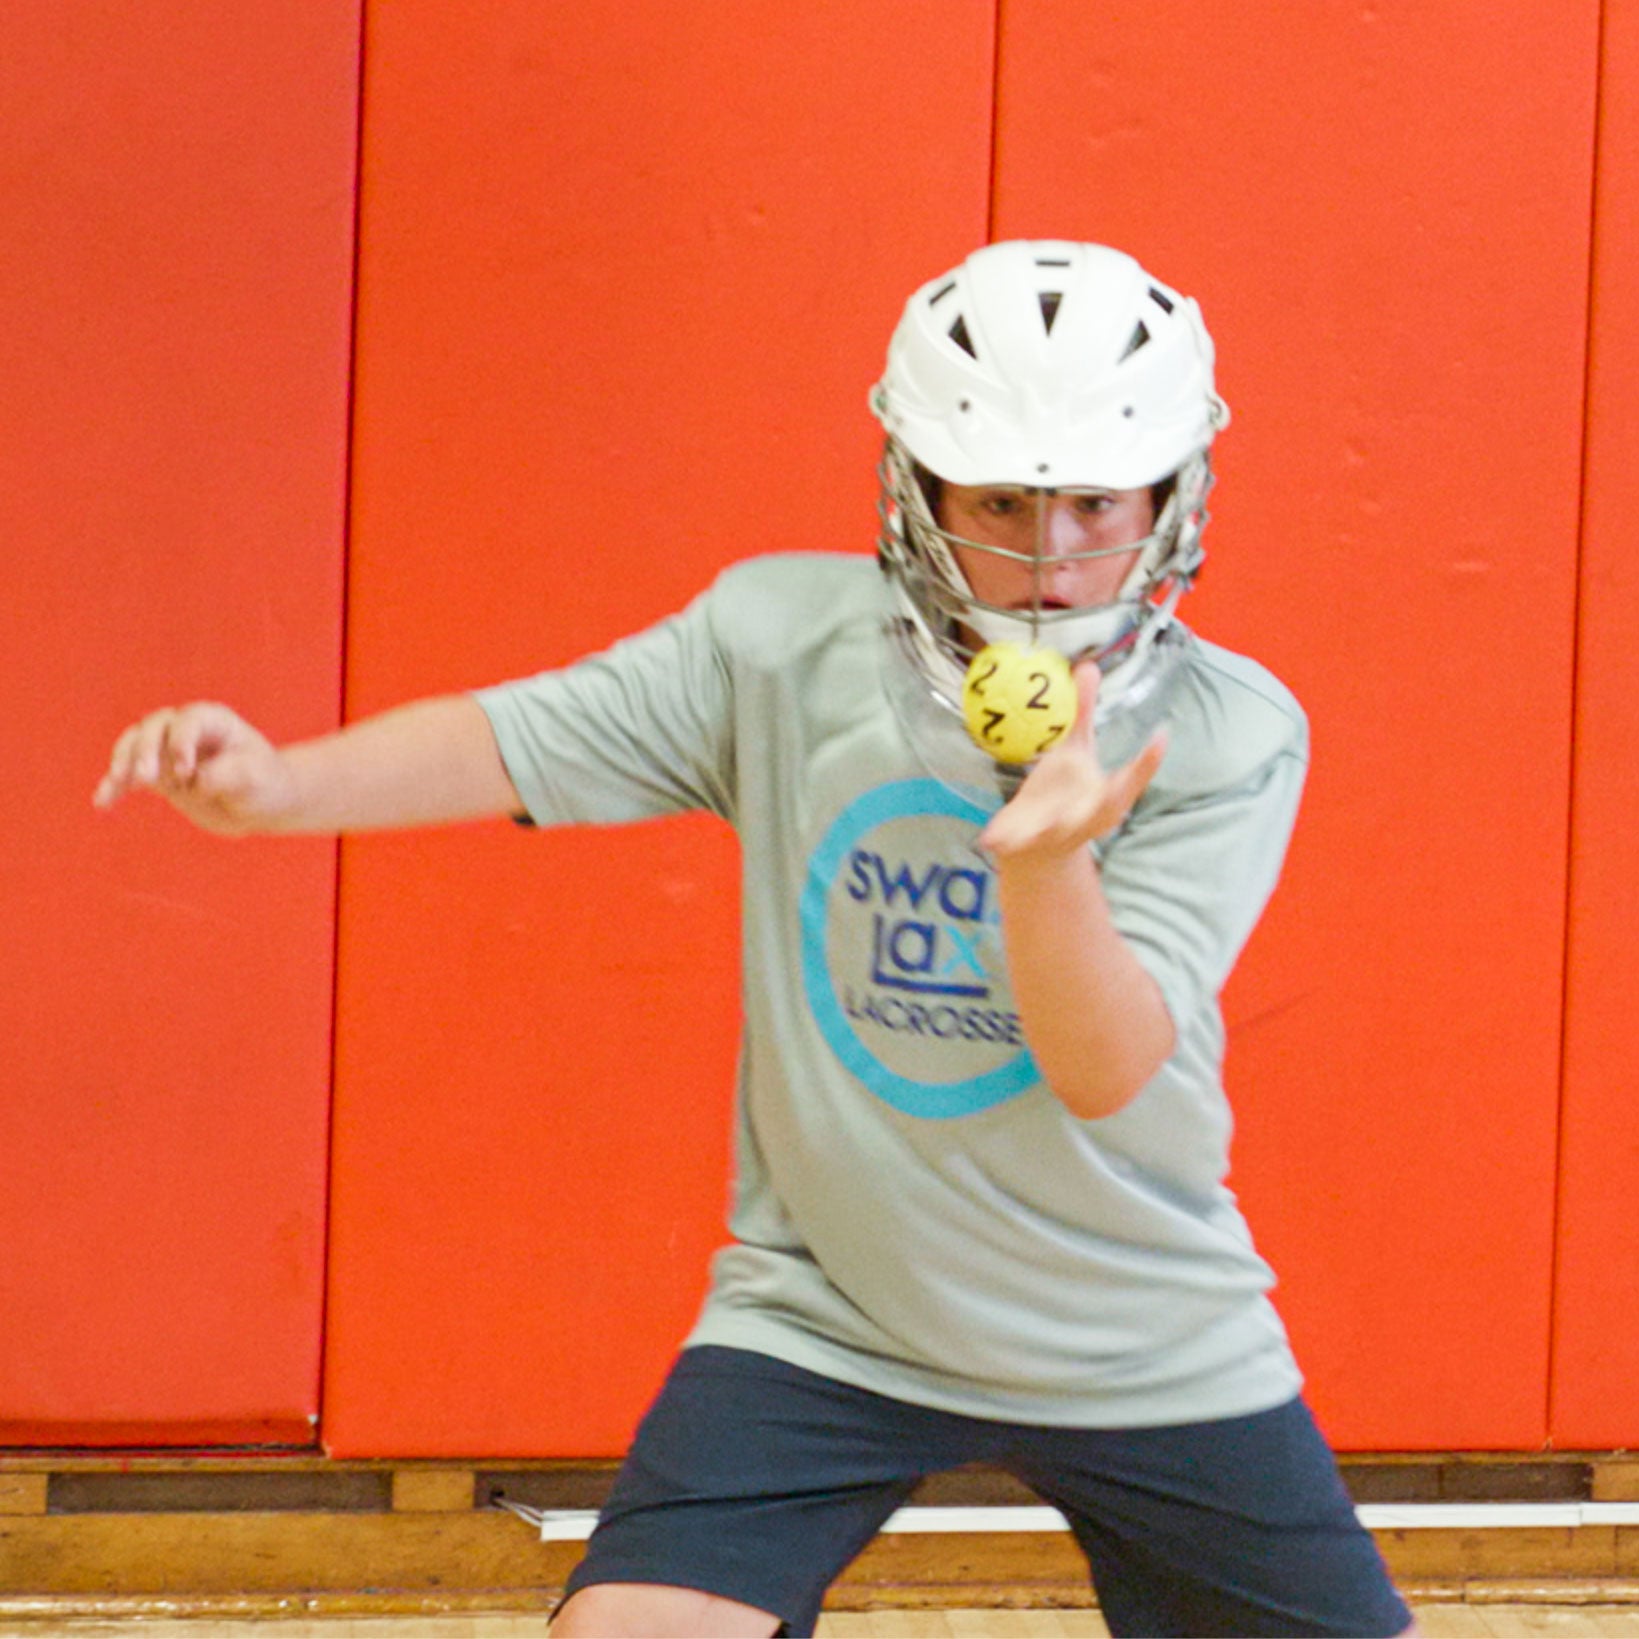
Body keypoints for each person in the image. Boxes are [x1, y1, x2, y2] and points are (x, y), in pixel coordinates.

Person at [95, 241, 1415, 1638]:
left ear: (1172, 494)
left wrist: (1045, 866)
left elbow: (1102, 1067)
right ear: (917, 490)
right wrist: (279, 790)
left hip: (1143, 1339)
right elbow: (525, 736)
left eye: (1095, 501)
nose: (1049, 554)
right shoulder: (779, 640)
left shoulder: (1230, 732)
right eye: (1002, 502)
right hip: (827, 1315)